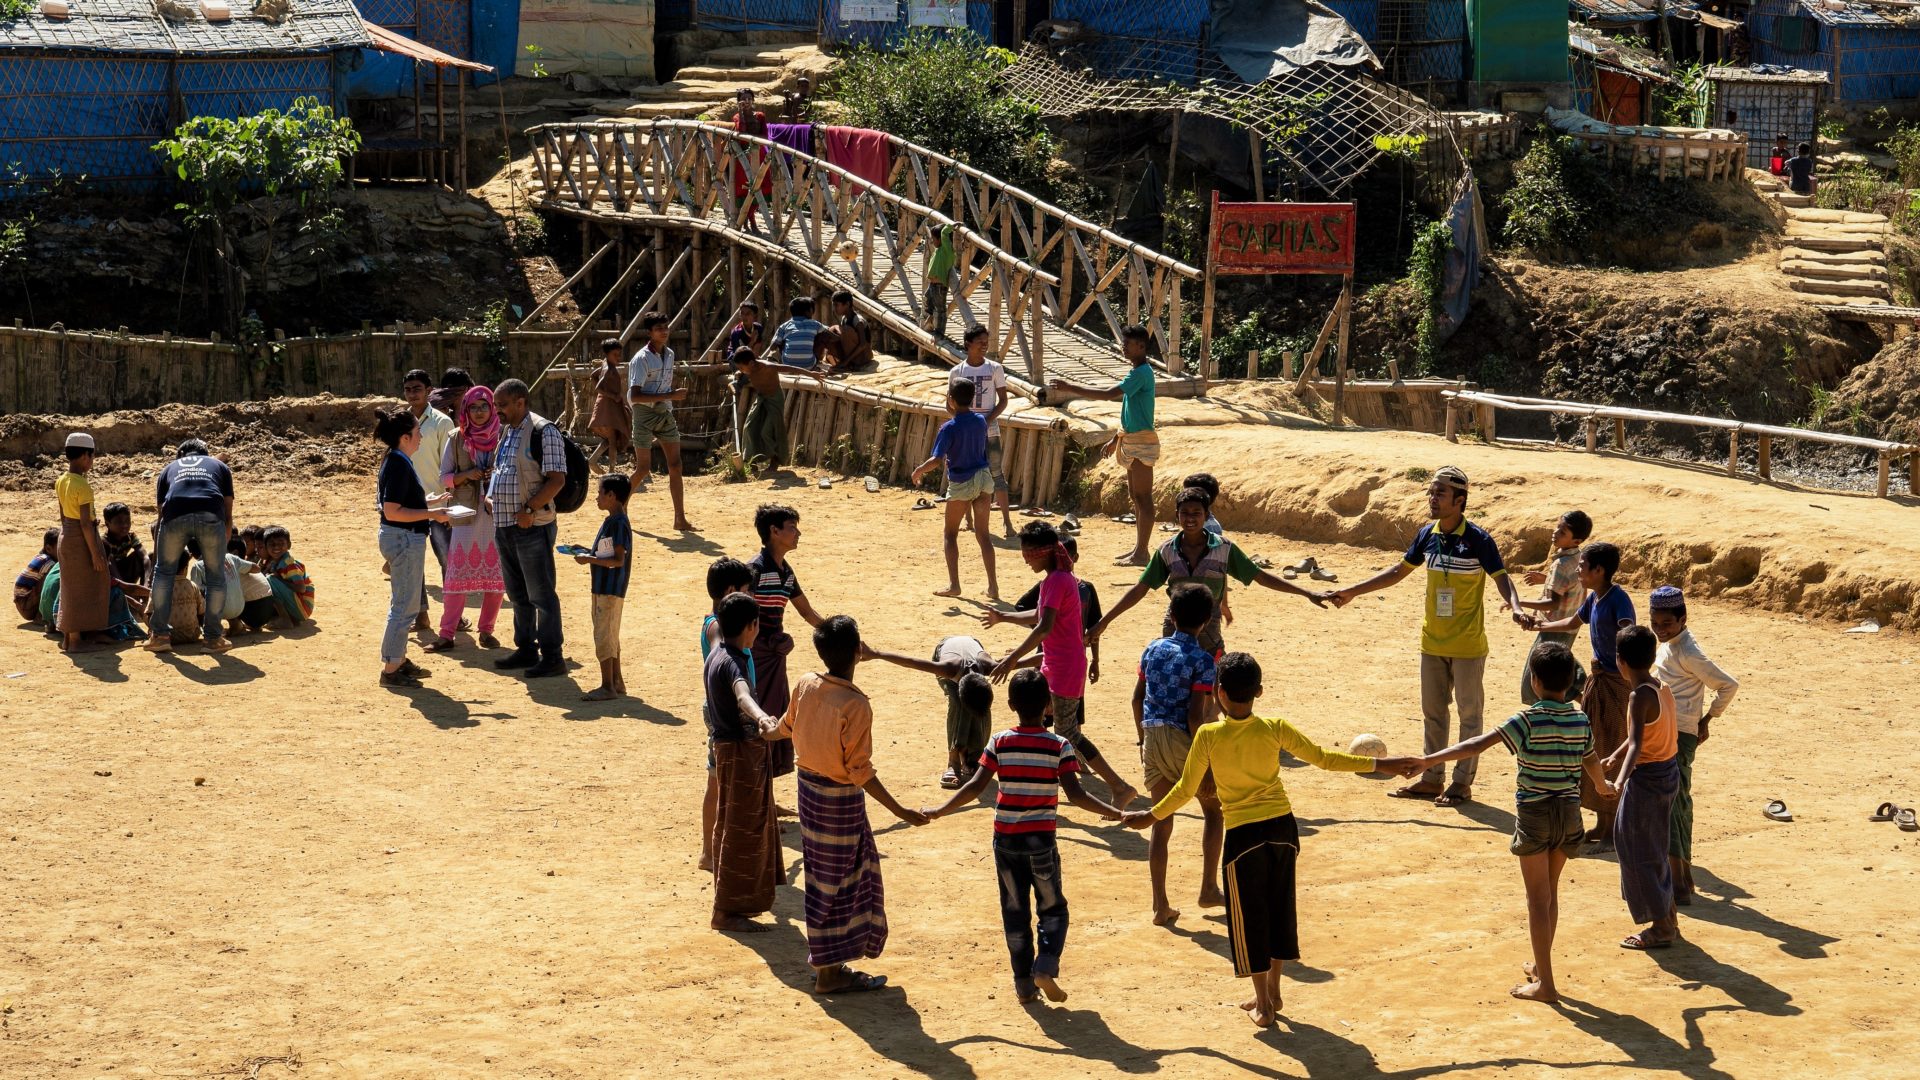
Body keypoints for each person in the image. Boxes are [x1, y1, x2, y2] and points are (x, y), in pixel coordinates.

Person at [1122, 653, 1421, 1028]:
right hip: (1283, 829)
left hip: (1244, 835)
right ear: (1259, 692)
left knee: (1250, 921)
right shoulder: (1275, 727)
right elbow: (1325, 758)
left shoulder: (1209, 735)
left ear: (1217, 693)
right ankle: (1274, 992)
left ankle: (1264, 1004)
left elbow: (1185, 789)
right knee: (1279, 910)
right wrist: (1385, 765)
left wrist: (1149, 816)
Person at [1409, 641, 1607, 1002]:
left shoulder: (1527, 719)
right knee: (1551, 894)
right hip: (1569, 813)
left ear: (1534, 681)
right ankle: (1540, 964)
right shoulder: (1579, 719)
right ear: (1570, 682)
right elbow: (1591, 761)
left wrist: (1428, 760)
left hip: (1535, 813)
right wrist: (1603, 786)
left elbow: (1474, 745)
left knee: (1536, 900)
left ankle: (1546, 985)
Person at [1321, 466, 1527, 807]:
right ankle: (1432, 779)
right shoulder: (1427, 535)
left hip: (1468, 646)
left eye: (1440, 494)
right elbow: (1398, 572)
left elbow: (1502, 578)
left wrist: (1516, 606)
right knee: (1433, 714)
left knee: (1469, 717)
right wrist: (1354, 591)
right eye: (1431, 492)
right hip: (1432, 641)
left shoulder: (1479, 539)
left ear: (1459, 501)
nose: (1432, 499)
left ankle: (1461, 783)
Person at [921, 667, 1126, 1004]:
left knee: (1014, 913)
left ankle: (1023, 983)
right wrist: (1117, 812)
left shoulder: (999, 741)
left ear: (1011, 704)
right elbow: (1076, 795)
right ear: (1048, 704)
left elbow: (975, 786)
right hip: (1041, 842)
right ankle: (1045, 965)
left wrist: (940, 809)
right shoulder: (1059, 746)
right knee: (1053, 908)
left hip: (1006, 842)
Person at [778, 616, 928, 994]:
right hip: (839, 800)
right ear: (859, 652)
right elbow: (859, 770)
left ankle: (829, 964)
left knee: (821, 877)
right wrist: (901, 812)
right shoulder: (855, 704)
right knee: (847, 881)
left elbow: (784, 726)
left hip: (809, 795)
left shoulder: (806, 684)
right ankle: (828, 972)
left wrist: (761, 728)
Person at [986, 522, 1138, 807]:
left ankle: (1120, 786)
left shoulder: (1056, 580)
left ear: (1042, 552)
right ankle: (1050, 775)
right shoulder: (1055, 579)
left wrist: (1012, 659)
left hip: (1064, 667)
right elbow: (1040, 614)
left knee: (1068, 731)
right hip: (1058, 663)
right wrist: (1004, 617)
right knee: (1050, 722)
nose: (1024, 558)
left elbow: (1044, 626)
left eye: (1028, 553)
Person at [1095, 487, 1325, 666]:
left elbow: (1260, 576)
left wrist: (1307, 593)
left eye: (1197, 513)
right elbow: (1140, 589)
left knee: (1214, 679)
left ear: (1207, 516)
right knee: (1176, 674)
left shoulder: (1224, 549)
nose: (1190, 518)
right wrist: (1103, 623)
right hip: (1174, 624)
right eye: (1184, 513)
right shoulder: (1167, 551)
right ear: (1177, 516)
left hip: (1209, 625)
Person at [1527, 541, 1635, 847]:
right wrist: (1540, 627)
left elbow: (1629, 634)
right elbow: (1573, 621)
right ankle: (1603, 824)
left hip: (1616, 683)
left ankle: (1613, 828)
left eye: (1583, 565)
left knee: (1611, 747)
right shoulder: (1595, 599)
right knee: (1595, 748)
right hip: (1600, 682)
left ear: (1599, 570)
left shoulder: (1618, 600)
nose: (1578, 569)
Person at [1133, 583, 1224, 926]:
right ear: (1206, 621)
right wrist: (1209, 765)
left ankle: (1160, 905)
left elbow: (1135, 698)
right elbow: (1195, 716)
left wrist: (1143, 739)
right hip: (1183, 739)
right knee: (1214, 811)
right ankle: (1208, 888)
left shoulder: (1151, 650)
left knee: (1161, 820)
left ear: (1171, 616)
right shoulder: (1203, 660)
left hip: (1152, 735)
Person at [1648, 586, 1738, 907]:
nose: (1660, 629)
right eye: (1655, 623)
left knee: (1672, 806)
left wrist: (1707, 720)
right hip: (1668, 730)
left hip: (1680, 735)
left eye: (1667, 624)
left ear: (1683, 619)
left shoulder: (1688, 651)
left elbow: (1728, 685)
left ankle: (1679, 882)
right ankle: (1683, 878)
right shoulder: (1671, 644)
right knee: (1680, 804)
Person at [706, 592, 788, 933]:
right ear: (752, 626)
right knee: (741, 831)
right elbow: (742, 694)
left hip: (730, 752)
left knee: (734, 826)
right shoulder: (734, 663)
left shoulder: (717, 651)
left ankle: (735, 904)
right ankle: (726, 911)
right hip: (740, 754)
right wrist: (764, 719)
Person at [1048, 325, 1158, 565]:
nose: (1123, 348)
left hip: (1141, 441)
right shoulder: (1139, 371)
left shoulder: (1140, 373)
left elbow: (1109, 395)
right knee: (1137, 496)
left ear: (1140, 346)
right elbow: (1132, 413)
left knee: (1143, 497)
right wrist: (1115, 439)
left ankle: (1141, 552)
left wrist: (1070, 388)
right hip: (1131, 438)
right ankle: (1139, 549)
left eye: (1127, 344)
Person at [488, 378, 570, 680]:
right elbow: (502, 471)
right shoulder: (508, 431)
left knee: (541, 595)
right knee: (518, 594)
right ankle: (526, 648)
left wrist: (529, 509)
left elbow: (557, 479)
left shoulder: (543, 431)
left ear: (521, 402)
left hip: (531, 526)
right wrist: (490, 495)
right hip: (506, 525)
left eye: (503, 405)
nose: (498, 412)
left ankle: (552, 657)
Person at [1607, 626, 1682, 951]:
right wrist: (1616, 753)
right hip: (1666, 772)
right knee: (1652, 848)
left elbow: (1638, 743)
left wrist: (1621, 779)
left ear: (1620, 662)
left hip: (1647, 779)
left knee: (1637, 851)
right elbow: (1645, 733)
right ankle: (1668, 916)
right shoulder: (1659, 686)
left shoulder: (1639, 696)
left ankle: (1661, 927)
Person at [747, 504, 827, 791]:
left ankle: (764, 794)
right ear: (774, 531)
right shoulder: (755, 569)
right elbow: (740, 612)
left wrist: (837, 632)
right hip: (756, 656)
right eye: (792, 527)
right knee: (760, 717)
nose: (798, 533)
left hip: (773, 656)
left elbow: (808, 613)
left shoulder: (785, 572)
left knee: (774, 715)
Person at [860, 634, 1010, 789]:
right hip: (946, 651)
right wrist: (875, 653)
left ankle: (973, 757)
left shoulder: (992, 667)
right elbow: (911, 662)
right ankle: (953, 762)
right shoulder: (947, 668)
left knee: (980, 708)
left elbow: (1023, 661)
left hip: (972, 644)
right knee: (958, 705)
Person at [374, 406, 451, 688]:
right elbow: (393, 511)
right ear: (405, 437)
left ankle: (398, 659)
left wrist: (430, 502)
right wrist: (432, 514)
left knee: (403, 603)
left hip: (402, 538)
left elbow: (400, 505)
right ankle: (391, 668)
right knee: (404, 607)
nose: (421, 437)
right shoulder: (397, 463)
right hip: (404, 538)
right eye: (418, 432)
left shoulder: (397, 460)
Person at [429, 385, 505, 652]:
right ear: (466, 410)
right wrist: (469, 475)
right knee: (456, 578)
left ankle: (487, 631)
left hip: (496, 514)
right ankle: (446, 634)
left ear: (492, 408)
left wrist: (495, 474)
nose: (480, 412)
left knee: (497, 579)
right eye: (474, 407)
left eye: (485, 406)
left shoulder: (503, 435)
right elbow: (445, 478)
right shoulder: (456, 437)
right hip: (465, 515)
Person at [911, 379, 999, 600]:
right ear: (973, 398)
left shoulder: (948, 428)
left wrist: (919, 471)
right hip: (984, 479)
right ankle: (993, 587)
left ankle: (954, 585)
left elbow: (937, 459)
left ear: (950, 399)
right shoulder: (980, 421)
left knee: (950, 534)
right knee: (983, 535)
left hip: (962, 482)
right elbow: (968, 429)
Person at [144, 438, 232, 654]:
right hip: (211, 513)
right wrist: (224, 541)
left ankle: (160, 636)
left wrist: (159, 555)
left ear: (180, 456)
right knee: (215, 578)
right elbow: (228, 511)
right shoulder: (220, 467)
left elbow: (161, 515)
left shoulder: (168, 469)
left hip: (175, 515)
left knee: (164, 574)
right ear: (205, 453)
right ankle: (213, 639)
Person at [701, 557, 757, 872]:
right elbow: (719, 647)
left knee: (718, 781)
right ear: (732, 591)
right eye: (747, 591)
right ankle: (711, 853)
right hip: (728, 710)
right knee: (719, 783)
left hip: (728, 706)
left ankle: (711, 851)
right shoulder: (719, 627)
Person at [1513, 511, 1592, 704]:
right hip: (1569, 625)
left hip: (1554, 627)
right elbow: (1569, 585)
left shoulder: (1561, 564)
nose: (1555, 532)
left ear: (1576, 540)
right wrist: (1546, 579)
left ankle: (1589, 700)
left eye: (1562, 532)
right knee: (1557, 673)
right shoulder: (1578, 557)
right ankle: (1591, 702)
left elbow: (1552, 603)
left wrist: (1517, 602)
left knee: (1536, 682)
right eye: (1557, 527)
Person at [627, 313, 695, 532]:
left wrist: (669, 397)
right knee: (643, 468)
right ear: (650, 332)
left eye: (666, 327)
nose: (664, 331)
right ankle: (620, 508)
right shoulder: (641, 359)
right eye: (659, 328)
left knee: (676, 465)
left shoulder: (670, 354)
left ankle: (680, 519)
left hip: (665, 411)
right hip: (644, 414)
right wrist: (671, 395)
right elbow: (634, 396)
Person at [402, 369, 457, 634]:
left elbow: (450, 465)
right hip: (409, 505)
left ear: (428, 390)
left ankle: (453, 617)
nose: (413, 393)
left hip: (438, 504)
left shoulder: (442, 422)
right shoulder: (399, 421)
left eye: (417, 389)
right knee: (414, 564)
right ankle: (421, 615)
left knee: (448, 560)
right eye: (408, 389)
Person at [952, 326, 1017, 535]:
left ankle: (1007, 522)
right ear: (968, 344)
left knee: (997, 474)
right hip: (968, 432)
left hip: (990, 431)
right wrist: (964, 424)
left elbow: (1003, 401)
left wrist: (986, 421)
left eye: (986, 341)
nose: (984, 345)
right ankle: (969, 520)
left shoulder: (994, 369)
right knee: (967, 474)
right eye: (980, 342)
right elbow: (949, 403)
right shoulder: (957, 372)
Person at [573, 473, 632, 702]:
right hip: (607, 588)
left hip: (609, 588)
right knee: (611, 635)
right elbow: (608, 553)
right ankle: (616, 681)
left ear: (612, 495)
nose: (596, 498)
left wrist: (589, 559)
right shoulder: (614, 520)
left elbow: (617, 560)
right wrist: (586, 551)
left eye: (600, 493)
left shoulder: (617, 523)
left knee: (604, 636)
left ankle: (607, 686)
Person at [54, 433, 110, 653]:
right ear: (85, 456)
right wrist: (95, 553)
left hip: (66, 535)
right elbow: (86, 524)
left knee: (69, 587)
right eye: (92, 456)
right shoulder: (83, 486)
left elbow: (62, 515)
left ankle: (70, 637)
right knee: (83, 588)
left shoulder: (61, 480)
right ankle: (76, 641)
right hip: (81, 538)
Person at [728, 346, 824, 467]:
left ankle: (776, 460)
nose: (741, 370)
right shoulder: (747, 371)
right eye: (739, 368)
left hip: (775, 399)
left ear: (751, 363)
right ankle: (751, 460)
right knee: (749, 426)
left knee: (767, 431)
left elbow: (791, 368)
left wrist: (811, 374)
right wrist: (736, 381)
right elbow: (736, 384)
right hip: (761, 398)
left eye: (742, 367)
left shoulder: (768, 367)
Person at [588, 338, 635, 476]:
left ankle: (593, 460)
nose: (618, 357)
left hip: (609, 407)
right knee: (613, 441)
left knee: (610, 439)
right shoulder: (608, 369)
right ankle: (612, 472)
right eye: (615, 354)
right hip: (607, 409)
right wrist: (613, 396)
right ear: (607, 354)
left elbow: (592, 376)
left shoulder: (605, 364)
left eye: (619, 354)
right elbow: (598, 387)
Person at [100, 503, 151, 621]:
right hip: (113, 578)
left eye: (127, 521)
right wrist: (125, 588)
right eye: (118, 522)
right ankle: (129, 596)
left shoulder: (130, 536)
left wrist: (146, 582)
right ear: (107, 524)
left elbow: (145, 558)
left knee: (149, 557)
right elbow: (112, 568)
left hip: (125, 573)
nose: (125, 525)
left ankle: (143, 594)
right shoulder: (104, 541)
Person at [258, 525, 312, 628]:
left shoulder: (289, 564)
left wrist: (278, 579)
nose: (276, 547)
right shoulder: (277, 562)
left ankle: (285, 619)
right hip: (297, 605)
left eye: (281, 544)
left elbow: (301, 588)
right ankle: (284, 616)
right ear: (266, 547)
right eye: (272, 544)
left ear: (289, 545)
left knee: (270, 580)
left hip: (303, 608)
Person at [222, 537, 278, 635]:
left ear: (234, 553)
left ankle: (236, 626)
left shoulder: (230, 565)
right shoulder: (245, 564)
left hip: (255, 610)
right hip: (266, 610)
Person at [822, 290, 874, 375]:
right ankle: (841, 362)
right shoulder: (844, 318)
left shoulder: (858, 320)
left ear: (847, 304)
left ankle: (848, 364)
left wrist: (846, 362)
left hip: (863, 356)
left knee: (844, 330)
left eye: (836, 305)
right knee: (831, 330)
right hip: (852, 355)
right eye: (833, 305)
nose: (834, 309)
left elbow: (863, 344)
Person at [769, 296, 828, 371]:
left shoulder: (784, 326)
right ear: (809, 311)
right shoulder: (815, 324)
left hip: (788, 365)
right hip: (809, 365)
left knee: (781, 341)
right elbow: (829, 331)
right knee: (822, 336)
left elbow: (772, 347)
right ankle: (812, 364)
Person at [14, 528, 57, 625]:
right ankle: (41, 616)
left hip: (24, 603)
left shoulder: (42, 557)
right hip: (25, 604)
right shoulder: (47, 562)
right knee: (53, 578)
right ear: (49, 548)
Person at [924, 223, 956, 339]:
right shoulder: (938, 250)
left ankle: (939, 332)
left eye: (934, 239)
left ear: (940, 239)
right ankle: (930, 316)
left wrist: (950, 226)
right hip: (933, 284)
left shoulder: (946, 250)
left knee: (941, 309)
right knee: (927, 297)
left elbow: (944, 233)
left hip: (939, 285)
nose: (932, 241)